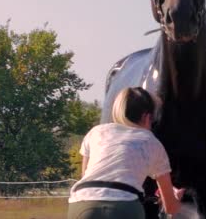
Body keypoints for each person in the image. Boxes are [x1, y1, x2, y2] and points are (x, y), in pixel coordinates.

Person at [68, 87, 184, 219]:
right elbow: (170, 207)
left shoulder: (96, 132)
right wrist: (176, 199)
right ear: (147, 117)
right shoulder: (151, 141)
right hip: (124, 207)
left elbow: (85, 175)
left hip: (81, 204)